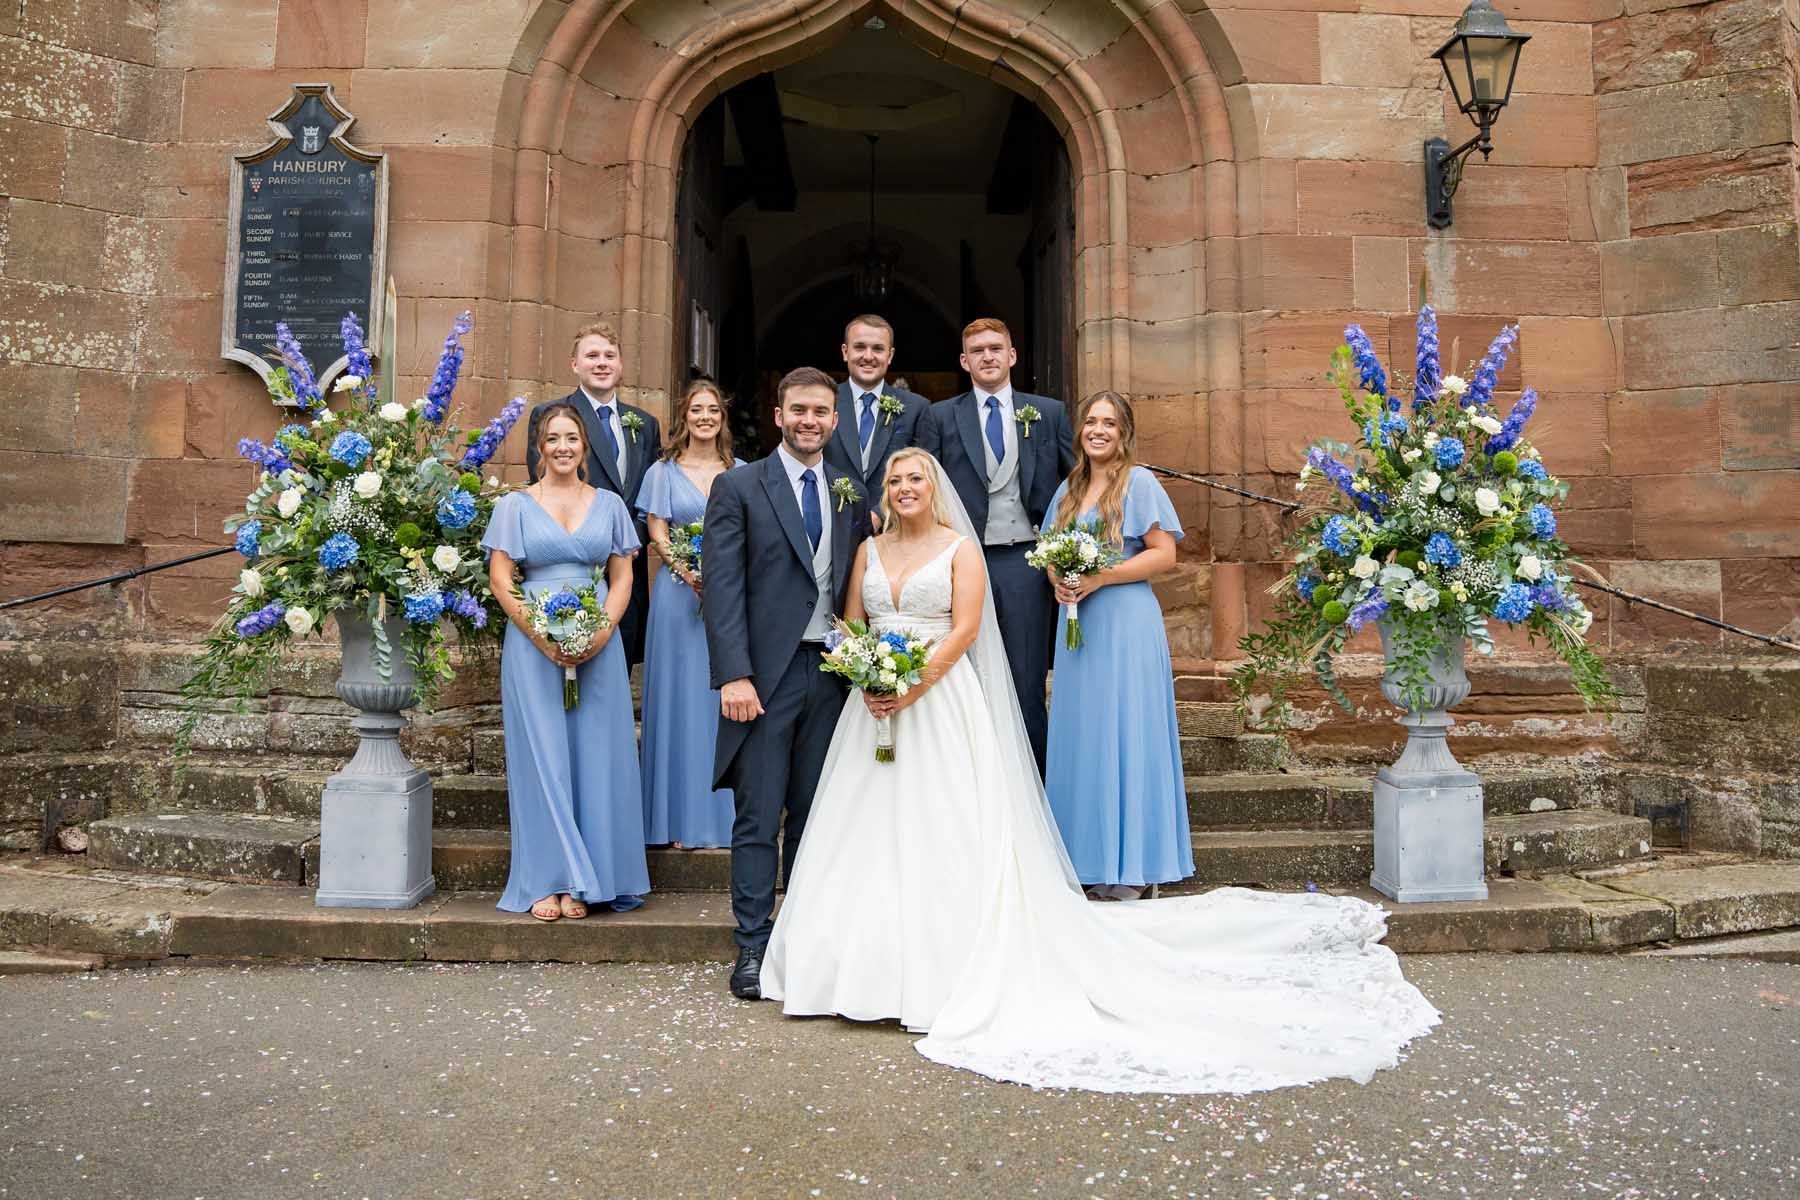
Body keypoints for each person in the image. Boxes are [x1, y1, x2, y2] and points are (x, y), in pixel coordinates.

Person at [760, 448, 1440, 1095]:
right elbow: (851, 623)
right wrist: (867, 673)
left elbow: (964, 630)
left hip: (936, 700)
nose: (905, 488)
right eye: (896, 481)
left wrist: (912, 684)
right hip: (874, 707)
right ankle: (852, 969)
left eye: (916, 479)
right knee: (864, 829)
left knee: (943, 824)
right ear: (885, 492)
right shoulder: (869, 549)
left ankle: (936, 969)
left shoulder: (960, 548)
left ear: (932, 488)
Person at [702, 366, 874, 1000]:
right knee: (757, 815)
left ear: (835, 419)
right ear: (779, 416)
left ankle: (801, 940)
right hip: (764, 678)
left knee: (814, 813)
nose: (809, 421)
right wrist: (734, 675)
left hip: (831, 674)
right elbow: (722, 589)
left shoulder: (850, 490)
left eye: (821, 412)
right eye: (799, 410)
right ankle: (752, 944)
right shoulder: (739, 486)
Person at [482, 404, 652, 920]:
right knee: (543, 757)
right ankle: (545, 878)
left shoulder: (610, 504)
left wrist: (602, 631)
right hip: (532, 645)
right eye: (553, 438)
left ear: (584, 446)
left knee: (598, 756)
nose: (563, 447)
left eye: (571, 438)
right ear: (540, 446)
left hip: (599, 642)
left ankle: (589, 878)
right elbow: (501, 579)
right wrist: (541, 636)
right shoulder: (514, 506)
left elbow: (623, 576)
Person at [1041, 392, 1193, 901]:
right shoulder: (1069, 488)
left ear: (1124, 432)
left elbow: (1164, 554)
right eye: (1091, 421)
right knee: (1084, 735)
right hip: (1078, 626)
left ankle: (1135, 866)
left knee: (1127, 731)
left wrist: (1100, 577)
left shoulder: (1139, 482)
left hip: (1126, 622)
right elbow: (1049, 554)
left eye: (1109, 423)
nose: (1098, 430)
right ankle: (1087, 860)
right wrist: (1060, 581)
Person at [916, 318, 1073, 774]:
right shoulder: (940, 416)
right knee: (962, 677)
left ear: (1012, 355)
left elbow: (1075, 484)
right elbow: (925, 487)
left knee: (1025, 678)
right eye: (977, 350)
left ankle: (1033, 784)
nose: (987, 356)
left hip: (1026, 560)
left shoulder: (1047, 412)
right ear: (964, 361)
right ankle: (968, 781)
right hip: (960, 561)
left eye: (995, 348)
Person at [638, 379, 743, 849]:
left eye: (713, 410)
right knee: (677, 699)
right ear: (684, 416)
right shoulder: (662, 472)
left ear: (723, 418)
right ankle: (673, 819)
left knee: (716, 699)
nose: (705, 417)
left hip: (728, 596)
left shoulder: (741, 471)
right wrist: (689, 569)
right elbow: (657, 531)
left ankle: (718, 818)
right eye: (697, 410)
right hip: (678, 595)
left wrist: (720, 576)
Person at [525, 322, 662, 666]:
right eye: (592, 355)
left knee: (617, 668)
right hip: (576, 568)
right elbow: (543, 489)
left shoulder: (644, 423)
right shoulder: (551, 415)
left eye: (609, 356)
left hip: (628, 567)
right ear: (574, 364)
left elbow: (651, 495)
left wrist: (632, 540)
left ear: (620, 364)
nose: (602, 363)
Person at [823, 314, 930, 501]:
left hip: (894, 515)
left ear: (890, 355)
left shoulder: (917, 408)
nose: (868, 356)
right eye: (860, 347)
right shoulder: (824, 402)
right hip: (832, 513)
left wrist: (880, 512)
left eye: (878, 349)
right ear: (845, 352)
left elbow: (924, 475)